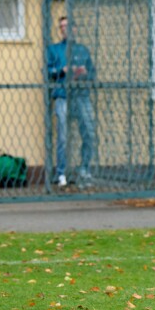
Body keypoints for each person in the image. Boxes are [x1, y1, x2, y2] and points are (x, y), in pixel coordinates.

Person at [46, 15, 96, 188]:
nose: (65, 29)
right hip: (63, 95)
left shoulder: (83, 50)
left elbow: (92, 72)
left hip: (81, 95)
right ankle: (61, 173)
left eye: (68, 26)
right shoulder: (53, 49)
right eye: (62, 27)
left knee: (89, 132)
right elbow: (48, 70)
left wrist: (84, 73)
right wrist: (63, 69)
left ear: (75, 28)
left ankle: (85, 169)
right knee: (63, 136)